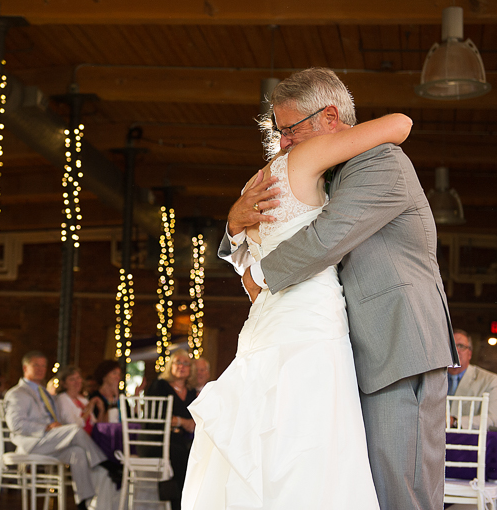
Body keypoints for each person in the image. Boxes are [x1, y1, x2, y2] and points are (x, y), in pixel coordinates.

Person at [195, 67, 457, 510]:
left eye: (291, 129)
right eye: (278, 132)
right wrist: (232, 223)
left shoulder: (383, 162)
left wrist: (258, 277)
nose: (283, 143)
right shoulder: (326, 174)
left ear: (330, 117)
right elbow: (284, 223)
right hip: (344, 352)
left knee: (401, 491)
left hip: (397, 346)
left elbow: (326, 237)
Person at [4, 351, 113, 510]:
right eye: (36, 365)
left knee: (78, 453)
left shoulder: (45, 393)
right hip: (32, 443)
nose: (41, 369)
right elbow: (16, 424)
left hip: (51, 442)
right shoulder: (17, 393)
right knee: (75, 430)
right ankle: (106, 464)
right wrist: (45, 427)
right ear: (25, 368)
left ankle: (83, 502)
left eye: (43, 366)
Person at [147, 349, 196, 510]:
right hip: (157, 440)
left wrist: (183, 422)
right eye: (178, 362)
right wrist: (182, 422)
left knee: (196, 453)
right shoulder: (160, 385)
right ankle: (178, 505)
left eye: (186, 363)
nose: (182, 366)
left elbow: (195, 420)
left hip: (180, 440)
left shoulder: (191, 392)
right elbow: (157, 418)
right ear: (170, 365)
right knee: (181, 454)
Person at [448, 329, 497, 428]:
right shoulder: (431, 379)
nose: (455, 350)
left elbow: (492, 419)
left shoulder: (489, 380)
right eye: (450, 346)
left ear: (470, 354)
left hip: (469, 441)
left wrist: (454, 421)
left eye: (460, 346)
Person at [55, 364, 96, 434]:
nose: (77, 382)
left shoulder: (83, 400)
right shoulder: (62, 399)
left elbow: (94, 423)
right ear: (64, 384)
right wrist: (88, 411)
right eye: (72, 379)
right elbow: (72, 424)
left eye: (78, 378)